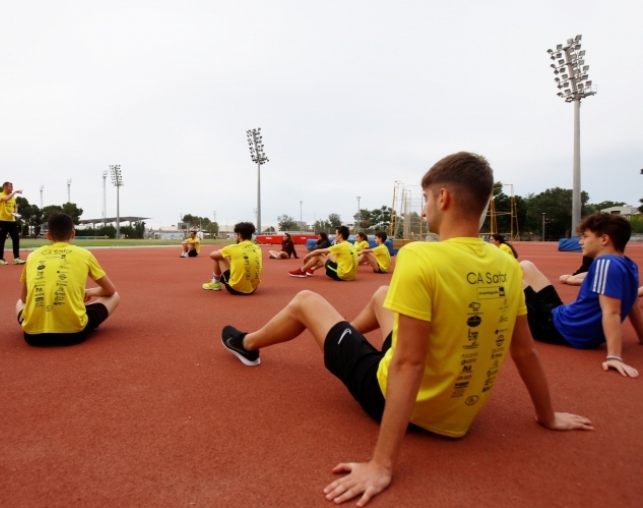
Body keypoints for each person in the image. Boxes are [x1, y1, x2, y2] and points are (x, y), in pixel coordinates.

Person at [220, 152, 591, 506]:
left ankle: (248, 344)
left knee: (306, 300)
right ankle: (338, 340)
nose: (424, 209)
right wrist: (547, 416)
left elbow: (408, 364)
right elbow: (525, 350)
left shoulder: (419, 256)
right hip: (458, 414)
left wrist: (381, 465)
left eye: (426, 199)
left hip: (399, 400)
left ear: (443, 197)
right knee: (383, 295)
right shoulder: (507, 264)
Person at [520, 212, 643, 377]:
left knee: (508, 276)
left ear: (604, 239)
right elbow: (633, 306)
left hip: (554, 328)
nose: (580, 242)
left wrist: (614, 357)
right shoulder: (629, 265)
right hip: (564, 317)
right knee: (526, 265)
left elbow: (612, 311)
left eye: (585, 237)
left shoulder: (604, 263)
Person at [16, 213, 120, 347]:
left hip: (33, 337)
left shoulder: (32, 256)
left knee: (19, 303)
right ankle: (74, 315)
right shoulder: (84, 254)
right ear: (73, 234)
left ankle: (38, 322)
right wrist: (90, 292)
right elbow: (110, 290)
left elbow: (24, 299)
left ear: (48, 236)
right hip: (74, 334)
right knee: (115, 296)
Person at [202, 222, 262, 295]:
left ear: (239, 235)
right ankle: (221, 280)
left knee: (220, 256)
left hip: (235, 288)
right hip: (252, 288)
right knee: (233, 258)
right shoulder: (257, 248)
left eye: (236, 235)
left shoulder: (233, 248)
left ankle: (215, 282)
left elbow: (212, 255)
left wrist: (219, 251)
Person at [289, 226, 357, 280]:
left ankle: (302, 270)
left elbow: (317, 251)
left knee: (318, 255)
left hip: (341, 275)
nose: (334, 236)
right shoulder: (350, 245)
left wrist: (306, 256)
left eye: (336, 234)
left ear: (340, 235)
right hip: (351, 275)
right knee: (329, 255)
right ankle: (311, 270)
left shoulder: (340, 246)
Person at [0, 182, 25, 265]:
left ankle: (16, 258)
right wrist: (15, 192)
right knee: (2, 240)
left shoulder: (12, 198)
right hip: (2, 220)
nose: (12, 188)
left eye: (12, 187)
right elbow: (5, 199)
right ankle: (1, 259)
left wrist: (15, 212)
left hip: (12, 221)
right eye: (10, 187)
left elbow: (15, 206)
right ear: (5, 187)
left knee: (16, 238)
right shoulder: (0, 195)